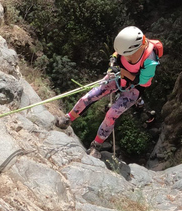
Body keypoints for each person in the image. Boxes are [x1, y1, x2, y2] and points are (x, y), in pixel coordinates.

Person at [55, 26, 161, 158]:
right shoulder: (126, 46)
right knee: (91, 95)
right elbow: (117, 53)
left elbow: (143, 81)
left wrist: (123, 73)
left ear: (135, 49)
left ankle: (96, 145)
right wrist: (114, 60)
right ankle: (67, 119)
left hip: (134, 87)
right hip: (118, 76)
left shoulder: (149, 60)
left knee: (112, 114)